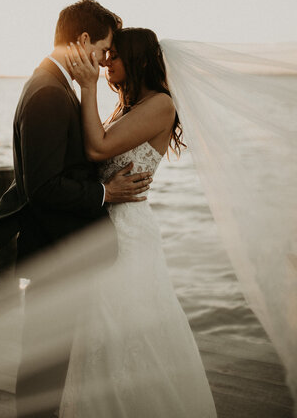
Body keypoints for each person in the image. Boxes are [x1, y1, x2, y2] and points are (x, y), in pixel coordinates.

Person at [0, 0, 153, 418]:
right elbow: (43, 188)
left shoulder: (52, 84)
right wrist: (104, 194)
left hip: (60, 250)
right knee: (44, 371)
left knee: (51, 365)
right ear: (82, 41)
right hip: (56, 254)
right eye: (103, 49)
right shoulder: (48, 93)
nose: (104, 60)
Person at [59, 27, 218, 417]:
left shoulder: (160, 105)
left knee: (126, 333)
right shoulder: (128, 106)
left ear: (139, 60)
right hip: (107, 227)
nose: (106, 61)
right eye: (107, 55)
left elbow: (97, 147)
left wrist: (87, 86)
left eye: (115, 55)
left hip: (128, 233)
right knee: (101, 333)